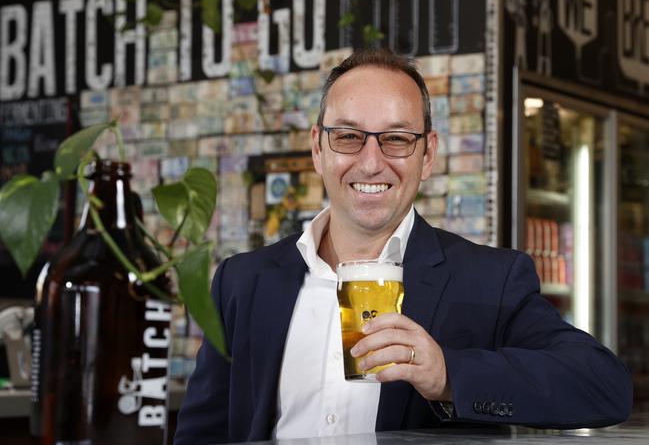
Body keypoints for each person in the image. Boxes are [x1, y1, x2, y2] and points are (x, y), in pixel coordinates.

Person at [174, 49, 632, 444]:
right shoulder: (242, 280)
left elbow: (604, 387)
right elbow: (201, 435)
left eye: (396, 139)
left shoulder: (491, 280)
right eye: (349, 136)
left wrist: (448, 375)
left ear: (427, 154)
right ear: (318, 149)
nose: (371, 163)